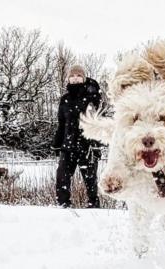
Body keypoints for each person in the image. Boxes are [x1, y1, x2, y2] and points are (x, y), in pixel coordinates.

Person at [51, 65, 102, 208]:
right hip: (68, 145)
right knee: (62, 177)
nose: (75, 78)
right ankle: (63, 204)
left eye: (79, 76)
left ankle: (94, 205)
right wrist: (57, 143)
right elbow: (61, 123)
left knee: (90, 178)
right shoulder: (65, 99)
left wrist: (93, 89)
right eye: (72, 76)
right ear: (68, 78)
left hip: (88, 145)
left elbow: (98, 117)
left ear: (84, 78)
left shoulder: (91, 95)